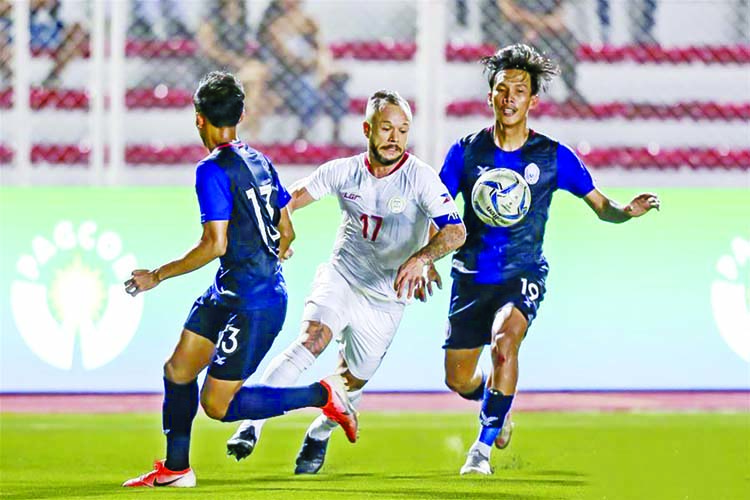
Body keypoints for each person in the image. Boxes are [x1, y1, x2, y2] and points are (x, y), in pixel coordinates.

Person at [121, 71, 358, 488]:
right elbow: (287, 231)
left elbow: (214, 243)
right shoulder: (260, 159)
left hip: (255, 302)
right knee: (178, 369)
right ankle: (177, 470)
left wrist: (156, 275)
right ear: (242, 114)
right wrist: (275, 247)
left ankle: (322, 396)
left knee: (217, 405)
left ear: (198, 119)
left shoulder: (211, 170)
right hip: (231, 289)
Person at [438, 44, 660, 475]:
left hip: (523, 272)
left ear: (532, 101)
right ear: (490, 97)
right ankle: (494, 408)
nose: (509, 98)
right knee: (458, 378)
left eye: (519, 90)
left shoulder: (554, 156)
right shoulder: (464, 153)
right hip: (470, 275)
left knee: (506, 343)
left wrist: (626, 212)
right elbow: (440, 210)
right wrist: (428, 256)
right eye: (501, 89)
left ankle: (481, 451)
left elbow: (600, 204)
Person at [225, 90, 467, 474]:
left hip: (387, 298)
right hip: (342, 277)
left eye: (402, 130)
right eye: (386, 128)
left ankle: (319, 433)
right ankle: (250, 425)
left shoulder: (420, 177)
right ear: (367, 128)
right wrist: (277, 228)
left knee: (350, 381)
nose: (394, 138)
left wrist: (423, 258)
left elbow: (456, 232)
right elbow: (289, 199)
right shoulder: (343, 171)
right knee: (311, 339)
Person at [257, 0, 349, 142]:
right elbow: (288, 57)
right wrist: (311, 62)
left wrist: (323, 67)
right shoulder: (273, 23)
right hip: (286, 75)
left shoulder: (309, 20)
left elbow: (322, 49)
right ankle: (303, 134)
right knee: (306, 86)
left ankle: (336, 134)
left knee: (337, 83)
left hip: (311, 70)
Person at [481, 0, 584, 102]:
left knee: (565, 37)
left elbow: (558, 16)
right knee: (514, 34)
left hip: (542, 28)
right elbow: (510, 12)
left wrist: (537, 26)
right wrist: (533, 24)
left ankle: (570, 88)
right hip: (513, 26)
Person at [196, 0, 269, 140]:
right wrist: (236, 61)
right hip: (213, 69)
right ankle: (249, 132)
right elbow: (209, 48)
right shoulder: (210, 13)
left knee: (256, 82)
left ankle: (248, 127)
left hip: (236, 68)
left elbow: (245, 47)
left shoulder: (241, 11)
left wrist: (244, 61)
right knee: (256, 78)